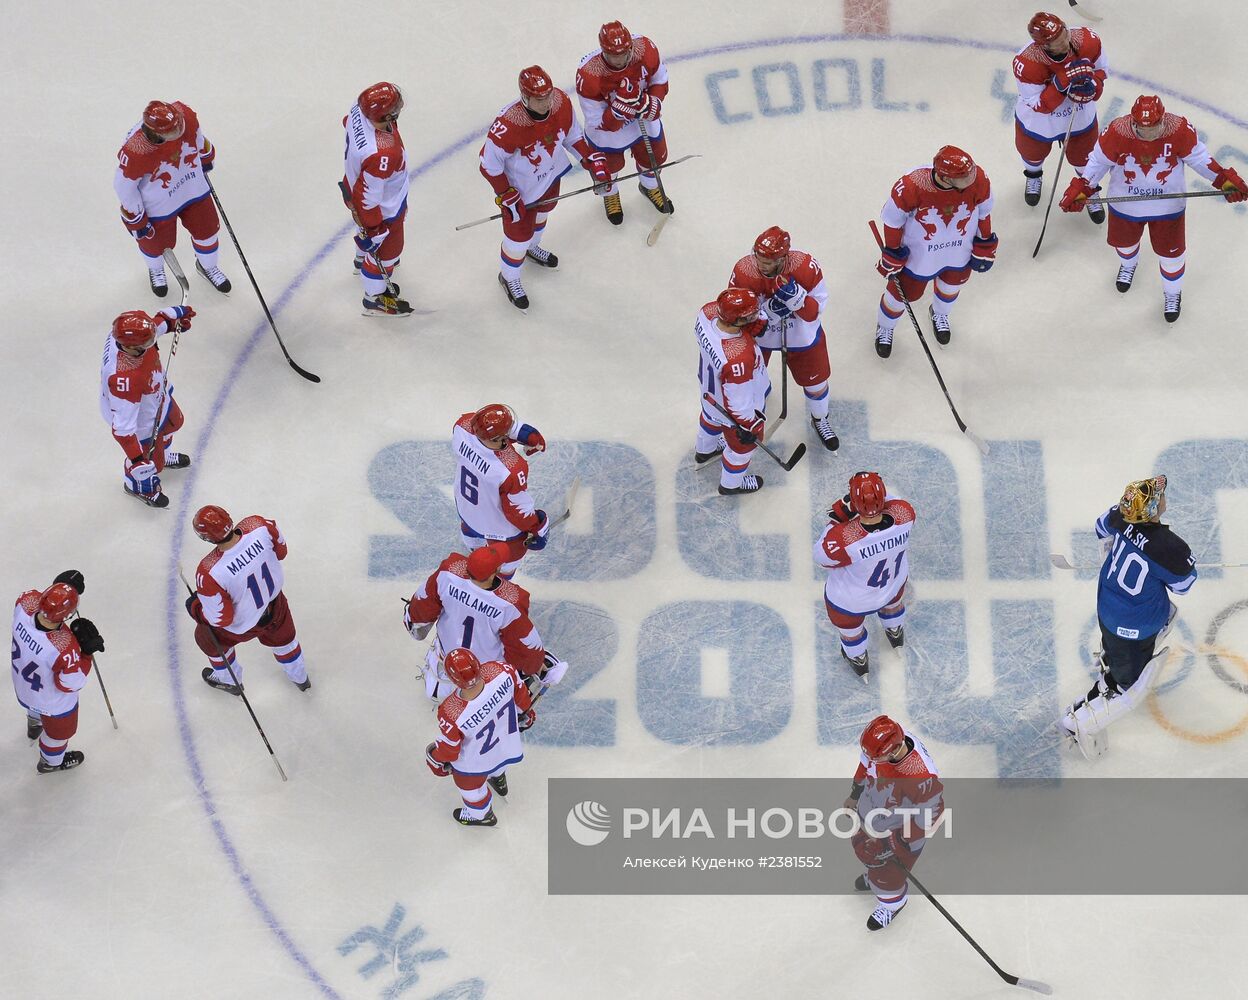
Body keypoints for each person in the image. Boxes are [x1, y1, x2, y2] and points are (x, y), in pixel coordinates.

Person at [1060, 95, 1246, 322]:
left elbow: (1200, 159)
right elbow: (1097, 163)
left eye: (1155, 127)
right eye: (1143, 129)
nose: (1149, 134)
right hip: (1126, 204)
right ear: (1134, 122)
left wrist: (1224, 180)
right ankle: (1128, 265)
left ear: (1162, 119)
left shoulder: (1179, 129)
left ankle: (1172, 294)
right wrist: (1081, 188)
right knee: (1125, 246)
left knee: (1172, 257)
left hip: (1167, 207)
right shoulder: (1116, 132)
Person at [1058, 475, 1196, 758]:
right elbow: (1183, 586)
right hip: (1135, 626)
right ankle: (1079, 722)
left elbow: (1100, 527)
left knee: (1117, 644)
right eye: (1159, 495)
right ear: (1155, 509)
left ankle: (1114, 665)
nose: (1163, 494)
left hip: (1107, 607)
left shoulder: (1122, 515)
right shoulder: (1170, 548)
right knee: (1127, 684)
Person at [480, 66, 611, 310]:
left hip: (550, 176)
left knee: (544, 213)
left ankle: (532, 248)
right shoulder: (509, 124)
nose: (546, 103)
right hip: (521, 190)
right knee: (517, 237)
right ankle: (509, 277)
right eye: (540, 99)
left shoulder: (560, 102)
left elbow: (572, 136)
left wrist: (591, 161)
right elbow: (488, 164)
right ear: (525, 97)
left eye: (548, 95)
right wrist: (506, 194)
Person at [874, 146, 996, 358]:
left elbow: (984, 212)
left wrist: (984, 242)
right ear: (944, 177)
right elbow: (892, 221)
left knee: (951, 286)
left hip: (959, 249)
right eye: (962, 179)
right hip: (920, 255)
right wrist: (893, 252)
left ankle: (939, 314)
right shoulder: (912, 185)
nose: (969, 181)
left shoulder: (978, 179)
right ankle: (885, 326)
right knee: (902, 294)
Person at [404, 543, 566, 701]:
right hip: (484, 682)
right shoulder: (510, 603)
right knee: (540, 663)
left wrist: (413, 622)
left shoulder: (448, 573)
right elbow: (526, 650)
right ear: (495, 571)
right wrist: (535, 665)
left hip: (442, 675)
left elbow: (418, 614)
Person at [728, 226, 838, 451]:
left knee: (816, 383)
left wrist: (798, 300)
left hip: (800, 334)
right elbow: (732, 311)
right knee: (749, 385)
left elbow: (814, 312)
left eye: (767, 262)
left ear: (783, 258)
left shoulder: (806, 267)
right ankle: (748, 414)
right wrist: (761, 317)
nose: (761, 265)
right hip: (761, 338)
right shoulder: (743, 270)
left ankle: (820, 419)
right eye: (758, 258)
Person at [184, 505, 310, 694]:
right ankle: (300, 678)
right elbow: (282, 552)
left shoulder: (209, 571)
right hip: (276, 605)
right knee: (285, 640)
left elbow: (220, 619)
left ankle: (230, 680)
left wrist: (195, 607)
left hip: (245, 623)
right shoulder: (259, 525)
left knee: (206, 639)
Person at [114, 100, 230, 296]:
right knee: (154, 243)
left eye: (178, 125)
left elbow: (197, 138)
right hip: (158, 202)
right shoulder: (136, 150)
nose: (178, 132)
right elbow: (123, 186)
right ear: (154, 132)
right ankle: (156, 270)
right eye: (171, 131)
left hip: (192, 185)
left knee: (207, 229)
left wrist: (204, 156)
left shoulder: (185, 115)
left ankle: (208, 267)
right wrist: (136, 216)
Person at [844, 715, 944, 931]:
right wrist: (855, 794)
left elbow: (933, 813)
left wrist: (899, 840)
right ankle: (874, 875)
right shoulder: (881, 748)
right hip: (873, 815)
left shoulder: (921, 777)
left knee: (889, 874)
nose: (869, 759)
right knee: (865, 851)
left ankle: (892, 904)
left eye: (876, 757)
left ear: (895, 749)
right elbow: (864, 766)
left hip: (899, 831)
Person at [814, 472, 914, 682]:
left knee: (851, 632)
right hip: (893, 586)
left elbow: (821, 557)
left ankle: (858, 658)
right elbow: (890, 500)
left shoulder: (844, 537)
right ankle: (895, 631)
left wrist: (838, 516)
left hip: (851, 602)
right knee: (893, 605)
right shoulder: (905, 514)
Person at [1012, 10, 1108, 220]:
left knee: (1085, 159)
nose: (1065, 41)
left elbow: (1102, 71)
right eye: (1056, 41)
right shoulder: (1026, 62)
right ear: (1042, 45)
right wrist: (1061, 82)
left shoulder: (1087, 40)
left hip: (1079, 118)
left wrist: (1093, 85)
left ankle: (1089, 190)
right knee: (1032, 154)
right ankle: (1034, 176)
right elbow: (1039, 105)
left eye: (1064, 33)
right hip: (1040, 123)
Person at [574, 20, 672, 225]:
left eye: (623, 54)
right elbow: (596, 121)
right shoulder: (588, 73)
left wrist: (649, 103)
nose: (619, 60)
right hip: (609, 132)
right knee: (609, 167)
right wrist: (620, 109)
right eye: (612, 55)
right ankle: (611, 194)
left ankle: (649, 186)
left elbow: (660, 80)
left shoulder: (646, 49)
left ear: (630, 47)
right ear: (603, 51)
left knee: (654, 156)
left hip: (641, 118)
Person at [426, 648, 536, 827]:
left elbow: (450, 752)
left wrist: (435, 759)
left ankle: (481, 815)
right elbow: (522, 700)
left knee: (472, 790)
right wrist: (527, 714)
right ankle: (498, 779)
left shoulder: (451, 712)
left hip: (474, 763)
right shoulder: (502, 670)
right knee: (498, 760)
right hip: (505, 743)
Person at [99, 306, 196, 509]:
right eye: (148, 343)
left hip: (156, 396)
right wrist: (137, 460)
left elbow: (155, 325)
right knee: (152, 465)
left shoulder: (130, 336)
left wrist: (173, 320)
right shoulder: (124, 380)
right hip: (142, 421)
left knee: (174, 423)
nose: (152, 343)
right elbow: (123, 431)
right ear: (131, 347)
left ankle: (162, 453)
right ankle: (137, 485)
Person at [10, 572, 104, 773]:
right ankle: (51, 763)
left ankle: (34, 724)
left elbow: (40, 602)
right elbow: (71, 683)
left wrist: (61, 588)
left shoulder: (24, 603)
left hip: (24, 687)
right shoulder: (64, 646)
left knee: (34, 703)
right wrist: (86, 654)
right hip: (53, 703)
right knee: (59, 734)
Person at [451, 403, 549, 577]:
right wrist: (538, 526)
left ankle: (475, 552)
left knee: (472, 535)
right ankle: (500, 585)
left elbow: (483, 426)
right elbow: (517, 511)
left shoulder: (462, 428)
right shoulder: (511, 468)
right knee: (512, 556)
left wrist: (525, 433)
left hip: (467, 510)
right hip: (497, 527)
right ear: (499, 438)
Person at [342, 82, 413, 317]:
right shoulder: (383, 154)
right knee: (389, 251)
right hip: (383, 208)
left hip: (353, 186)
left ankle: (360, 260)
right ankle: (373, 297)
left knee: (365, 235)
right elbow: (368, 199)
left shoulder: (358, 108)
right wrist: (375, 229)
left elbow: (346, 123)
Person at [693, 288, 771, 496]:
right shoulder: (739, 358)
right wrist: (750, 425)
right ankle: (731, 484)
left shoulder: (707, 313)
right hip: (730, 408)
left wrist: (752, 322)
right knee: (742, 449)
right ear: (737, 320)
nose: (755, 316)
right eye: (750, 315)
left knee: (709, 419)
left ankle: (704, 451)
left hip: (709, 394)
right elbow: (739, 402)